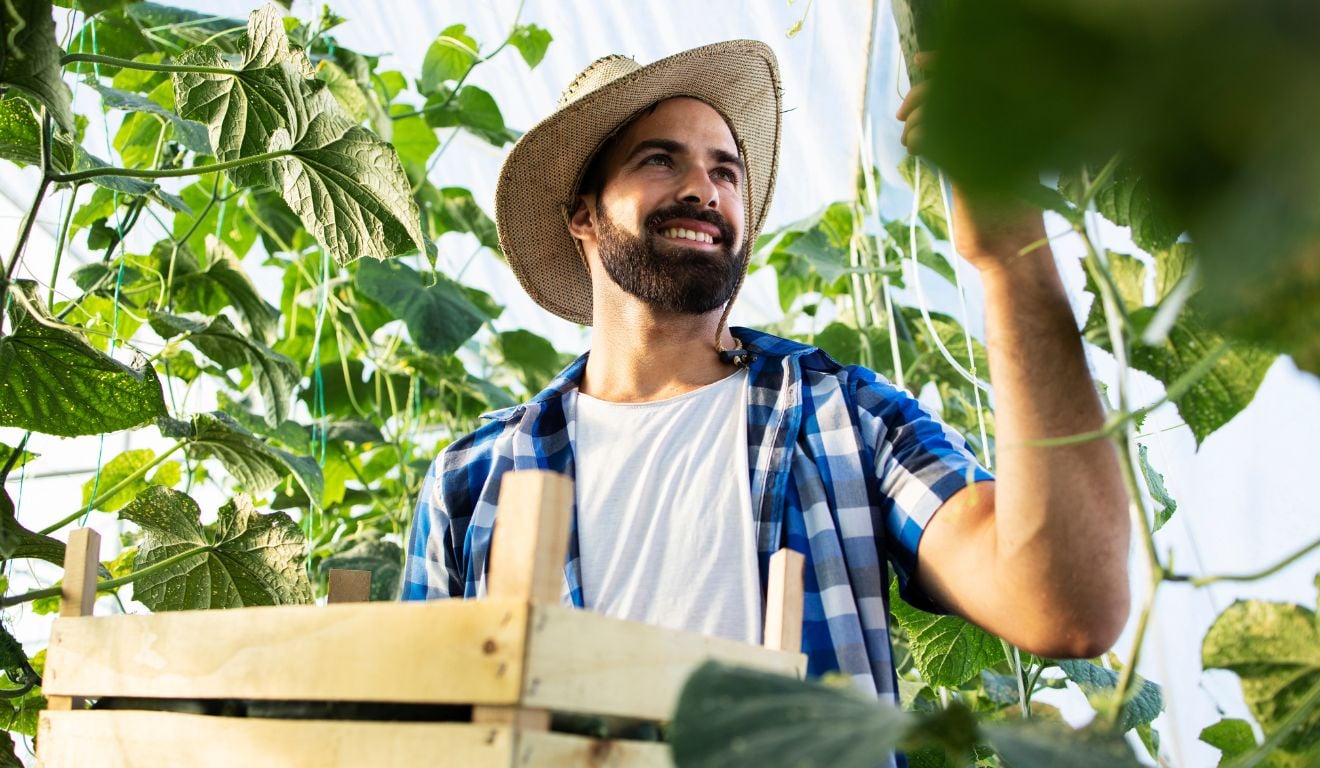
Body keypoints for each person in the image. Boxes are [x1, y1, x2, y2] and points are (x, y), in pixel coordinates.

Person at [401, 41, 1130, 702]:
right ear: (582, 215)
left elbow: (1066, 605)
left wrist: (1012, 257)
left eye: (726, 169)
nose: (703, 189)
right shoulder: (474, 479)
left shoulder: (844, 418)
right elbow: (414, 734)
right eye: (660, 160)